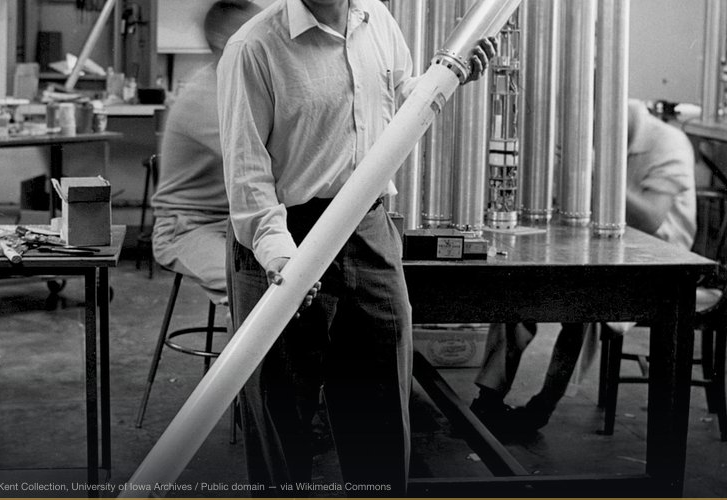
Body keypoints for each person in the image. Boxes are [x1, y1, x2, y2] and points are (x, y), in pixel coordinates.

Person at [217, 0, 496, 494]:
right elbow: (248, 177)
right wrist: (282, 260)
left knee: (380, 409)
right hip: (286, 234)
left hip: (368, 227)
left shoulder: (376, 20)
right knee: (283, 417)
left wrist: (448, 81)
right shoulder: (253, 48)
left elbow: (399, 101)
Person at [471, 99, 697, 436]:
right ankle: (488, 397)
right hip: (612, 249)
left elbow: (651, 219)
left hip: (658, 265)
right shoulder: (606, 138)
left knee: (588, 305)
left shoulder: (667, 142)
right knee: (518, 285)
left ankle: (541, 407)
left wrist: (594, 171)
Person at [150, 0, 262, 306]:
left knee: (304, 278)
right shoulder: (205, 96)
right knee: (256, 289)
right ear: (225, 43)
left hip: (235, 223)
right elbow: (257, 164)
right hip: (187, 227)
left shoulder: (245, 84)